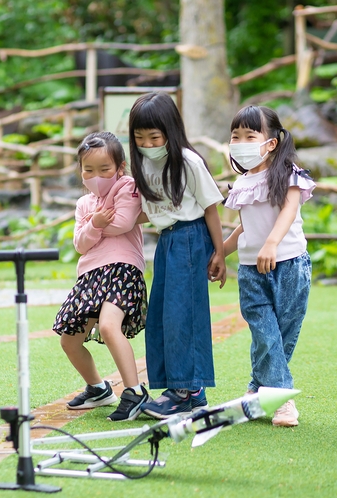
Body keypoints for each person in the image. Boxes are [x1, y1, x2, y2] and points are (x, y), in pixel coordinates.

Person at [128, 92, 226, 419]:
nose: (146, 143)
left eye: (153, 136)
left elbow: (210, 207)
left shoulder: (188, 161)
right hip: (166, 241)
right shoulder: (142, 162)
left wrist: (220, 253)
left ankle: (185, 390)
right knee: (161, 315)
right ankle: (183, 389)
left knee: (182, 313)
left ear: (170, 129)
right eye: (139, 137)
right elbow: (150, 212)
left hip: (190, 238)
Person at [221, 105, 315, 427]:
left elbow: (289, 211)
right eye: (236, 137)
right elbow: (245, 225)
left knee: (282, 334)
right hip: (250, 270)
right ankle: (283, 400)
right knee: (265, 333)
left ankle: (256, 388)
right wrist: (220, 254)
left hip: (289, 265)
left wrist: (272, 243)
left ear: (271, 142)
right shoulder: (242, 182)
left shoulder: (288, 173)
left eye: (250, 136)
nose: (241, 142)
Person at [53, 131, 150, 422]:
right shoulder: (84, 204)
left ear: (120, 167)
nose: (96, 176)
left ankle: (135, 392)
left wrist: (92, 228)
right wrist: (93, 224)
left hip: (122, 268)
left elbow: (121, 223)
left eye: (105, 169)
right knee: (69, 340)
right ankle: (98, 388)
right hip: (90, 275)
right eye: (89, 170)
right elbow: (79, 245)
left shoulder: (127, 187)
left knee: (109, 327)